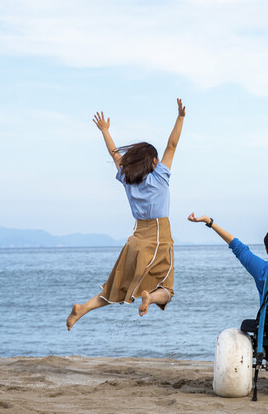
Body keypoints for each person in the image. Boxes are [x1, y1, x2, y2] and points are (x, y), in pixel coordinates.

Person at [67, 99, 186, 330]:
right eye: (157, 159)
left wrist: (105, 130)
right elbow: (171, 145)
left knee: (117, 286)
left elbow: (114, 155)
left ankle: (81, 309)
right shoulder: (159, 177)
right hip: (158, 238)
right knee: (167, 289)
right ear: (153, 161)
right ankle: (149, 298)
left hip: (136, 240)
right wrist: (180, 117)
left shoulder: (127, 179)